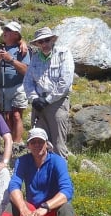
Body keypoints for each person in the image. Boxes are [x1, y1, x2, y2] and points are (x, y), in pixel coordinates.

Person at [24, 27, 74, 158]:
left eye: (47, 40)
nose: (44, 44)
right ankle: (42, 170)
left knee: (58, 142)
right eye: (41, 42)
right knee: (39, 139)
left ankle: (61, 174)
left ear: (52, 40)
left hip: (57, 102)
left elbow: (65, 81)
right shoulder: (35, 57)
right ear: (37, 44)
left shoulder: (63, 53)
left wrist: (48, 99)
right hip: (38, 103)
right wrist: (34, 98)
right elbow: (28, 81)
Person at [0, 21, 30, 152]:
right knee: (7, 116)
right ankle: (10, 143)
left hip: (18, 86)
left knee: (17, 115)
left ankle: (17, 143)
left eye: (8, 30)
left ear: (15, 34)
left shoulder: (22, 49)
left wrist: (10, 59)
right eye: (5, 29)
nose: (4, 32)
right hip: (3, 87)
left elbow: (26, 70)